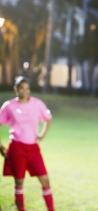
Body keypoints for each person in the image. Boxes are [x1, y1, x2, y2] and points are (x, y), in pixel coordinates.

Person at [0, 76, 55, 211]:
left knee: (45, 180)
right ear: (16, 89)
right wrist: (0, 146)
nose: (25, 91)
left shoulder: (37, 104)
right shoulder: (9, 106)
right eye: (21, 88)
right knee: (19, 182)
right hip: (17, 147)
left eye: (27, 88)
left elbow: (48, 118)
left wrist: (42, 134)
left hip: (33, 148)